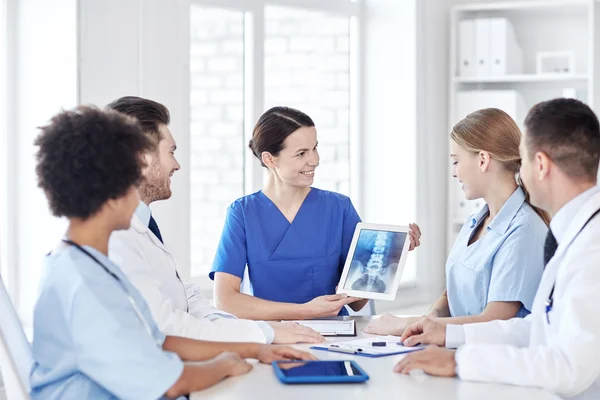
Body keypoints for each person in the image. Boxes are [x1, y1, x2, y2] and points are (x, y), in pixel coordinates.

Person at [29, 106, 314, 399]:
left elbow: (161, 340)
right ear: (111, 189)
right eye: (131, 179)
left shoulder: (87, 263)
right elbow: (168, 382)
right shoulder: (86, 283)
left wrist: (254, 348)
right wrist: (225, 364)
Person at [395, 98, 600, 399]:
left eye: (524, 159)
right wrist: (450, 333)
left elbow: (568, 368)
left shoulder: (591, 249)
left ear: (540, 165)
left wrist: (460, 361)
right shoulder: (575, 233)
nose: (520, 170)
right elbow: (540, 328)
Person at [106, 96, 322, 344]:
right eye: (171, 152)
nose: (176, 165)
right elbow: (165, 325)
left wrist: (248, 330)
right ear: (142, 157)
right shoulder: (117, 237)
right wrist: (265, 333)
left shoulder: (142, 224)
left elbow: (185, 298)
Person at [211, 106, 421, 320]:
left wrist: (392, 252)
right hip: (272, 336)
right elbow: (226, 300)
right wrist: (306, 311)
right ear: (270, 159)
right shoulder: (243, 213)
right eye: (301, 153)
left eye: (315, 148)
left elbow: (357, 302)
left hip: (333, 336)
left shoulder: (339, 208)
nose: (315, 160)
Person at [364, 108, 549, 336]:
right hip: (458, 350)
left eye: (456, 161)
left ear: (482, 160)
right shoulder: (475, 222)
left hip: (498, 361)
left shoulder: (524, 232)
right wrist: (426, 321)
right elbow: (452, 293)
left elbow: (493, 322)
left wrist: (408, 323)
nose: (454, 173)